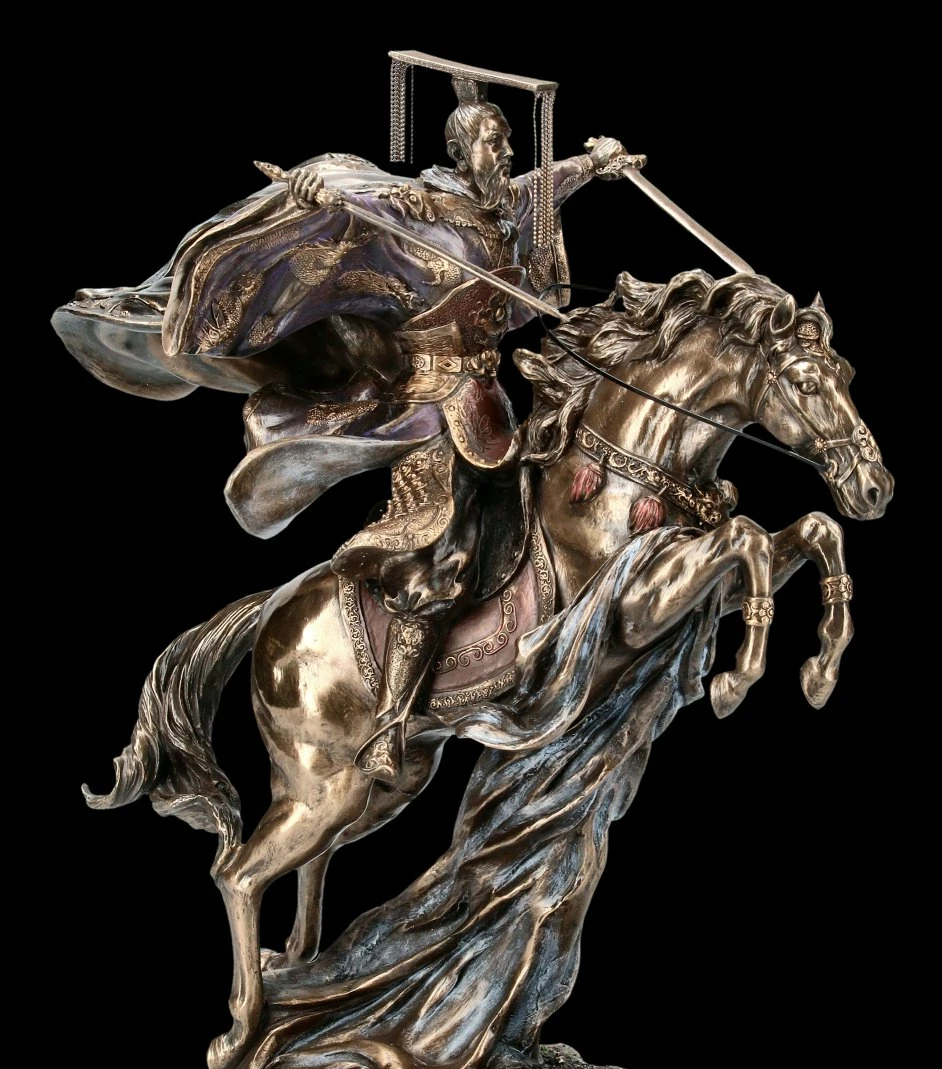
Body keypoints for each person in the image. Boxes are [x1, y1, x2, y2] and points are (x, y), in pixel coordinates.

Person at [53, 75, 643, 781]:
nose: (506, 152)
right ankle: (391, 722)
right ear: (462, 151)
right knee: (445, 554)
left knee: (529, 512)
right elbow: (350, 208)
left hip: (488, 400)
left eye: (507, 141)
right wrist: (309, 197)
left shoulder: (496, 209)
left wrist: (593, 163)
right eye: (494, 141)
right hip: (430, 408)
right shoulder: (414, 209)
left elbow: (538, 187)